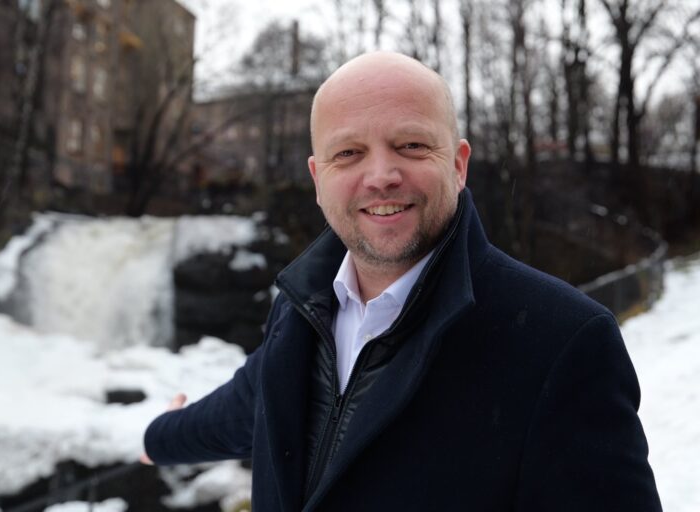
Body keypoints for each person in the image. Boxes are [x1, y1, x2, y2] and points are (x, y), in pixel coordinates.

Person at [143, 52, 661, 511]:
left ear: (458, 165)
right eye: (348, 153)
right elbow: (250, 406)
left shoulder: (562, 342)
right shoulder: (301, 308)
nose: (380, 176)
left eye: (411, 145)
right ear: (318, 178)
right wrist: (158, 438)